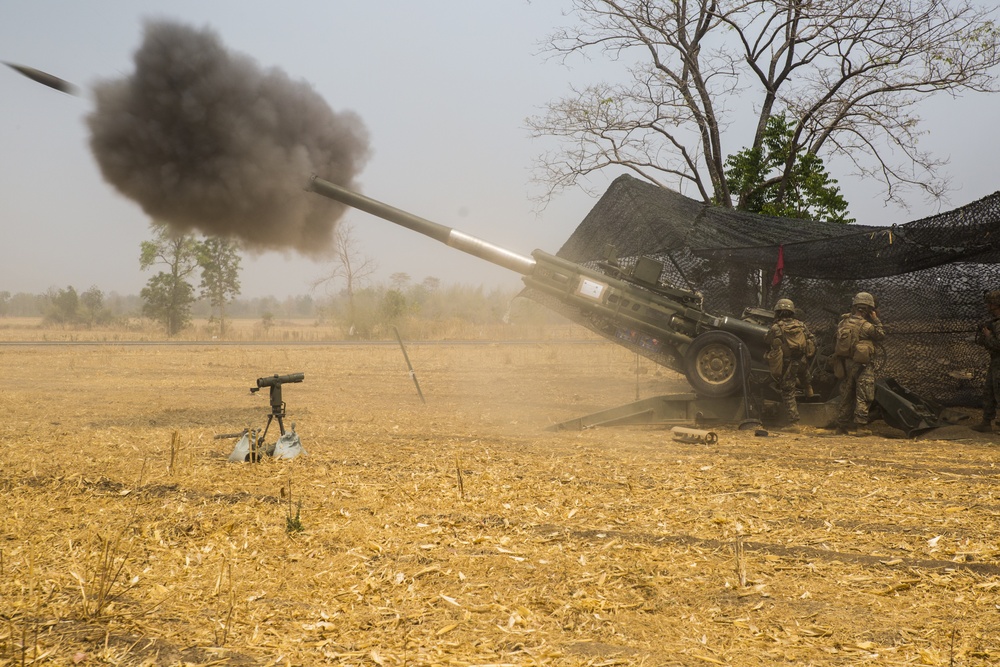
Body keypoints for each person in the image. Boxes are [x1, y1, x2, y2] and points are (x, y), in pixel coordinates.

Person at [833, 292, 885, 436]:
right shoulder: (867, 326)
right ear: (869, 309)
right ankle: (861, 426)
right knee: (864, 394)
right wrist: (876, 320)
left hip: (847, 363)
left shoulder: (843, 322)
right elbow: (881, 335)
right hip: (863, 365)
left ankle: (841, 426)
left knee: (847, 394)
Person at [764, 298, 816, 431]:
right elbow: (811, 339)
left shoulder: (777, 327)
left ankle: (794, 423)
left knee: (788, 391)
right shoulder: (801, 325)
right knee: (803, 373)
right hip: (802, 361)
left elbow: (768, 339)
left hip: (789, 363)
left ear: (778, 312)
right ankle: (808, 387)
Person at [972, 290, 1000, 433]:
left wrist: (988, 335)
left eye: (990, 303)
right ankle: (986, 422)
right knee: (989, 392)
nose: (988, 306)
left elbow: (998, 345)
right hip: (995, 362)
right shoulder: (994, 322)